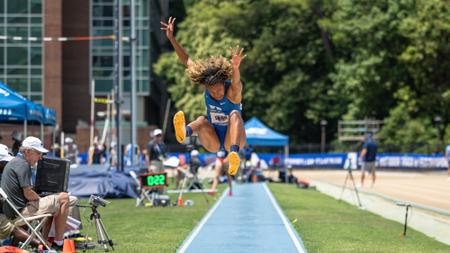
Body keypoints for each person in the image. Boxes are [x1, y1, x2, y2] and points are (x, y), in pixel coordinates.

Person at [161, 17, 247, 176]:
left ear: (224, 84)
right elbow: (186, 60)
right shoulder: (208, 86)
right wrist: (172, 38)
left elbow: (236, 81)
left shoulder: (232, 92)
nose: (216, 94)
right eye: (212, 92)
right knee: (201, 120)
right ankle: (183, 133)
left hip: (234, 140)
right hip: (212, 139)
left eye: (219, 91)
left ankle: (233, 155)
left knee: (234, 114)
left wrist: (235, 67)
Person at [1, 136, 69, 250]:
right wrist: (40, 198)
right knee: (64, 197)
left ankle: (44, 244)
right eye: (38, 153)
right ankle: (59, 243)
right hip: (20, 214)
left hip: (13, 213)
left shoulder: (15, 162)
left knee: (54, 206)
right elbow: (28, 193)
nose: (40, 157)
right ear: (27, 151)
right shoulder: (22, 164)